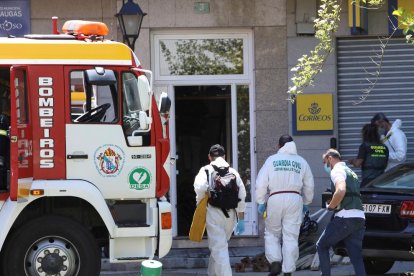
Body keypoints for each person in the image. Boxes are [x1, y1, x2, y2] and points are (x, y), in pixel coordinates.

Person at [255, 135, 314, 276]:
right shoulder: (301, 161)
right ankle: (288, 270)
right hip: (295, 198)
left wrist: (261, 201)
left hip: (275, 197)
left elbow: (260, 183)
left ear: (279, 146)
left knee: (272, 233)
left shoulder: (272, 160)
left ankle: (275, 261)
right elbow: (309, 185)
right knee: (291, 236)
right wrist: (306, 202)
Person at [193, 144, 246, 276]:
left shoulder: (206, 170)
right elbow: (242, 195)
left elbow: (200, 188)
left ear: (209, 157)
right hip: (231, 215)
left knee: (219, 248)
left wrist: (200, 204)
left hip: (214, 212)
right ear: (224, 156)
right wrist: (241, 218)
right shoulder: (233, 172)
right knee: (219, 247)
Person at [317, 149, 366, 276]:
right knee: (356, 257)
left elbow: (341, 191)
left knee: (321, 246)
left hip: (345, 217)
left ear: (330, 158)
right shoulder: (351, 172)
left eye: (325, 162)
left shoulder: (337, 170)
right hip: (359, 218)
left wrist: (331, 206)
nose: (325, 166)